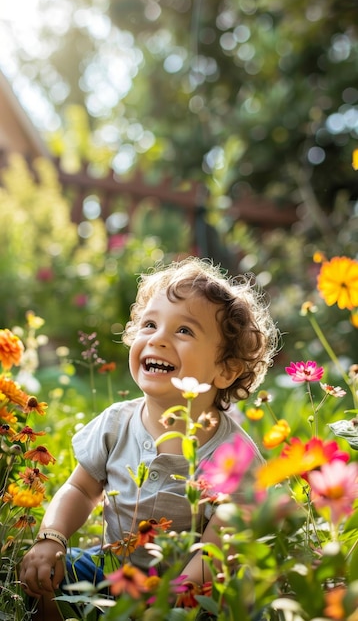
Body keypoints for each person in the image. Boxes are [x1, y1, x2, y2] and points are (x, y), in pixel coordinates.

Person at [20, 257, 278, 619]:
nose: (157, 338)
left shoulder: (231, 455)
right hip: (113, 572)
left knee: (230, 605)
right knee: (53, 570)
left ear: (226, 369)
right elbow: (80, 490)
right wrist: (52, 537)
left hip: (187, 589)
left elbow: (217, 547)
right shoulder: (116, 423)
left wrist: (171, 602)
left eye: (183, 331)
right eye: (149, 325)